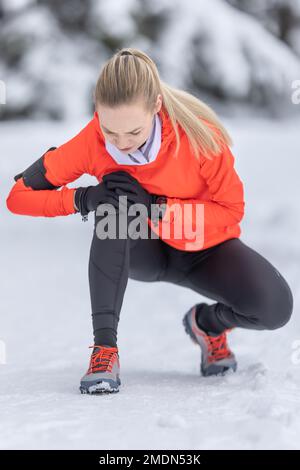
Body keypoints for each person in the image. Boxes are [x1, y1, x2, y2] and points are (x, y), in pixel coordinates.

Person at [6, 47, 294, 395]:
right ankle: (104, 351)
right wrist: (83, 198)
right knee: (114, 206)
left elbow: (231, 211)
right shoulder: (92, 140)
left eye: (134, 132)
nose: (122, 144)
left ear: (156, 107)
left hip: (205, 250)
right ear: (97, 111)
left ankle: (206, 325)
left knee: (276, 308)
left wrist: (158, 208)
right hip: (144, 254)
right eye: (111, 131)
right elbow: (17, 198)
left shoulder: (199, 138)